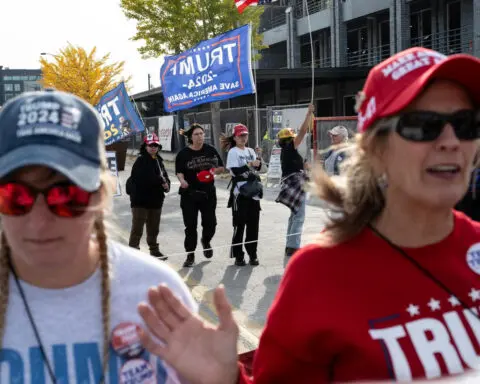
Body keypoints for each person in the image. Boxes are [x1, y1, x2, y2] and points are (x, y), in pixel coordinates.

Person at [136, 46, 480, 383]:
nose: (451, 141)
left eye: (467, 123)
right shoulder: (318, 275)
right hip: (232, 196)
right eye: (423, 125)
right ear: (376, 147)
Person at [0, 89, 197, 383]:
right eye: (14, 196)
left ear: (102, 194)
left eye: (66, 195)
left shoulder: (157, 294)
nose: (39, 223)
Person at [175, 123, 225, 267]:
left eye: (201, 134)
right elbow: (179, 172)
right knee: (190, 226)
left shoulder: (211, 150)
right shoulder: (183, 154)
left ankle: (206, 240)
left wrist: (213, 172)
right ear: (191, 137)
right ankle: (190, 255)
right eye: (196, 134)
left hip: (208, 193)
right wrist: (182, 180)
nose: (200, 136)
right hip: (189, 194)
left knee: (210, 223)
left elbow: (221, 167)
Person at [275, 104, 315, 257]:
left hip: (292, 183)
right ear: (290, 140)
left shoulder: (289, 153)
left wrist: (308, 167)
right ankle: (293, 247)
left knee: (294, 215)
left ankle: (290, 245)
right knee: (299, 217)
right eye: (293, 138)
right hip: (296, 184)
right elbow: (303, 131)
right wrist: (308, 114)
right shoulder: (290, 148)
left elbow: (302, 165)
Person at [222, 124, 263, 266]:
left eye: (245, 135)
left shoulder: (251, 150)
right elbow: (235, 171)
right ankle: (238, 255)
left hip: (253, 192)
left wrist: (259, 157)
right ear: (235, 137)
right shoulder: (233, 152)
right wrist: (250, 163)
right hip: (240, 193)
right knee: (239, 225)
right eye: (240, 135)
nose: (243, 138)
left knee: (253, 225)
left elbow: (258, 167)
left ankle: (253, 253)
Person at [127, 132, 170, 260]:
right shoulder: (141, 160)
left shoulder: (158, 160)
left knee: (153, 228)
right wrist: (160, 181)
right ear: (145, 146)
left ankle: (154, 250)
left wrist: (167, 184)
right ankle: (133, 253)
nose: (153, 147)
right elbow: (143, 178)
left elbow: (165, 176)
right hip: (140, 201)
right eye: (150, 145)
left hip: (155, 201)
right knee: (137, 229)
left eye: (155, 145)